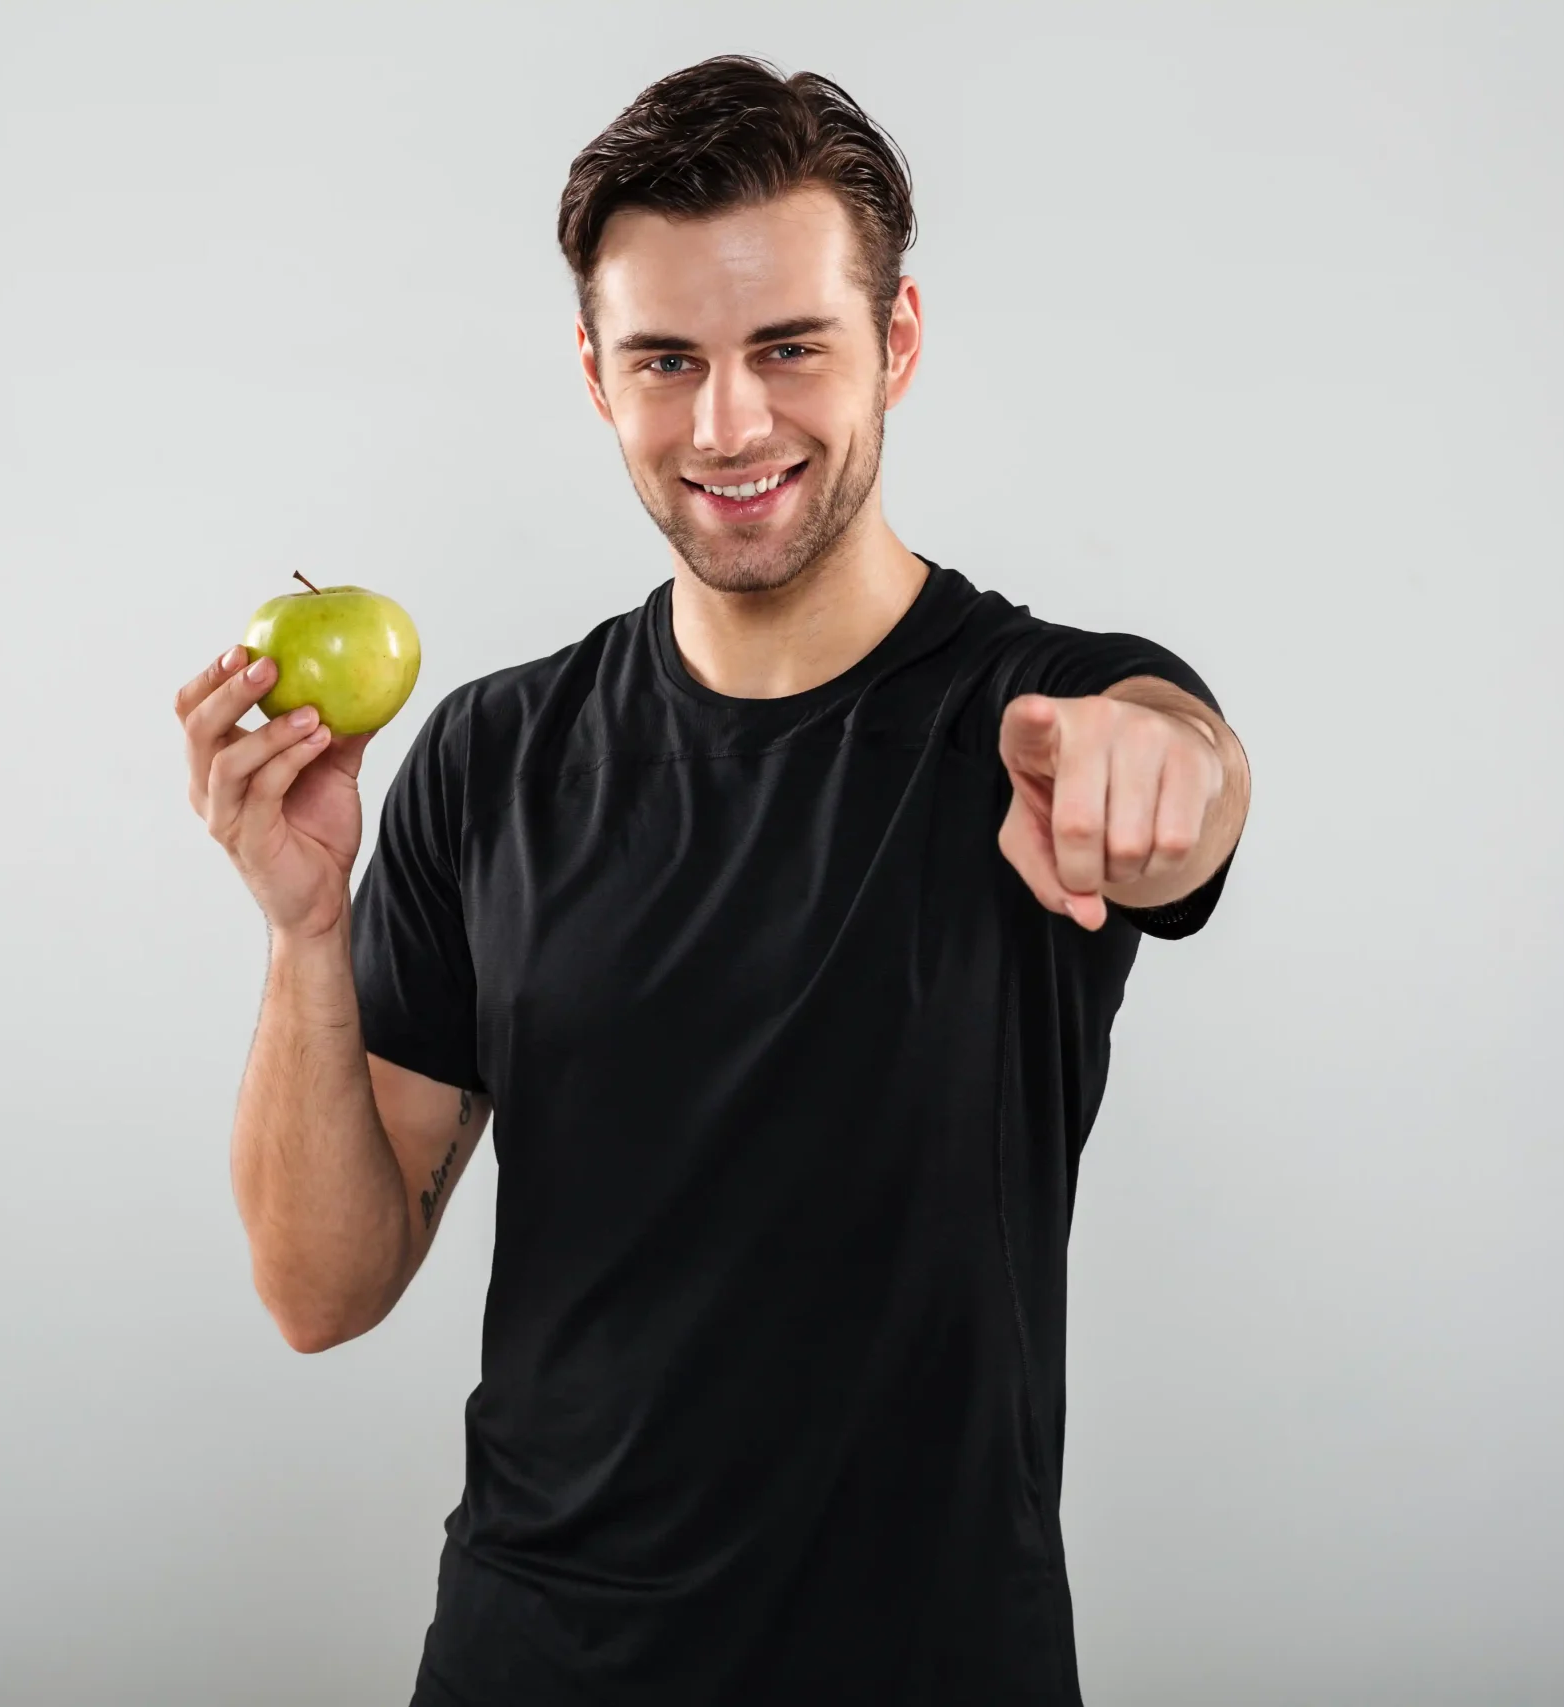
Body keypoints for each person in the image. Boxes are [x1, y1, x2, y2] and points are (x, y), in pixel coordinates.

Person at [174, 54, 1250, 1707]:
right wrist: (305, 929)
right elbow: (319, 1289)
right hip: (535, 1662)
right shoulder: (490, 754)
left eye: (790, 348)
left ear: (894, 341)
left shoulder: (1043, 720)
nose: (729, 423)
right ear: (598, 376)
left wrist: (1173, 768)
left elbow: (1179, 767)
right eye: (667, 359)